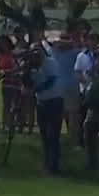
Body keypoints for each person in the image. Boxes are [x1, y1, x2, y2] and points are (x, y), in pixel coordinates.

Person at [30, 42, 67, 174]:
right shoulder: (33, 67)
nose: (36, 54)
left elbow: (51, 81)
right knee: (44, 135)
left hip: (54, 102)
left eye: (38, 51)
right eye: (33, 52)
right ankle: (47, 163)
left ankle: (54, 165)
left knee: (53, 135)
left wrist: (35, 89)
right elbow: (30, 81)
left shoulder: (50, 63)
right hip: (41, 102)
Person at [51, 35, 82, 150]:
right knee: (73, 115)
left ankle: (56, 140)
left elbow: (54, 45)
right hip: (72, 86)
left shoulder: (54, 53)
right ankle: (74, 142)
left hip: (58, 88)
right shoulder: (75, 53)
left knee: (59, 116)